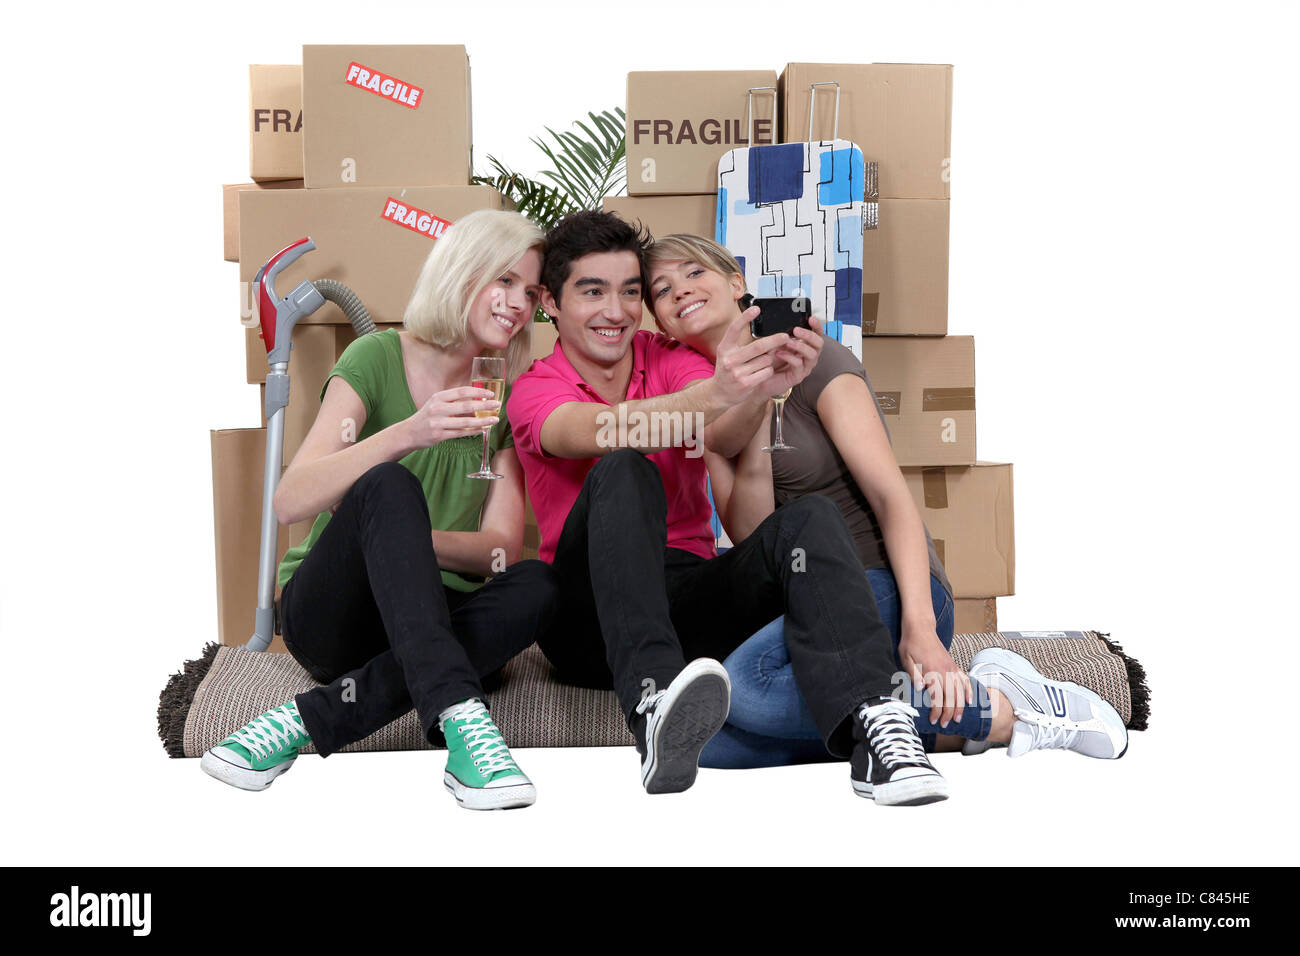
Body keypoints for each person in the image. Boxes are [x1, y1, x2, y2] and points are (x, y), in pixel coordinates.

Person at [508, 210, 951, 807]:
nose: (615, 311)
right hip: (588, 613)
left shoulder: (670, 356)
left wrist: (764, 388)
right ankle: (652, 700)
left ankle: (878, 725)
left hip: (687, 593)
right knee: (623, 462)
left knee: (808, 519)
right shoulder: (536, 386)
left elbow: (722, 424)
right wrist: (719, 391)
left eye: (630, 292)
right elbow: (591, 431)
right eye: (592, 292)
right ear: (550, 305)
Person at [644, 233, 1129, 770]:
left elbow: (890, 496)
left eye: (693, 273)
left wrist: (921, 629)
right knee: (714, 743)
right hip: (803, 602)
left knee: (748, 690)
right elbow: (754, 539)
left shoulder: (815, 357)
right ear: (661, 322)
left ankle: (1008, 711)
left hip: (881, 580)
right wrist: (759, 404)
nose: (679, 292)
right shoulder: (705, 404)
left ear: (737, 283)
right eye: (661, 289)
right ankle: (969, 721)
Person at [201, 210, 560, 811]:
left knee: (540, 583)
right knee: (388, 485)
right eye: (503, 281)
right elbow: (291, 499)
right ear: (462, 272)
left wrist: (410, 543)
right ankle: (461, 717)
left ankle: (305, 723)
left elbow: (497, 550)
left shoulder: (501, 394)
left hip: (432, 615)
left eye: (528, 292)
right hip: (337, 614)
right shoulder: (375, 357)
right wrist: (407, 434)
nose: (517, 304)